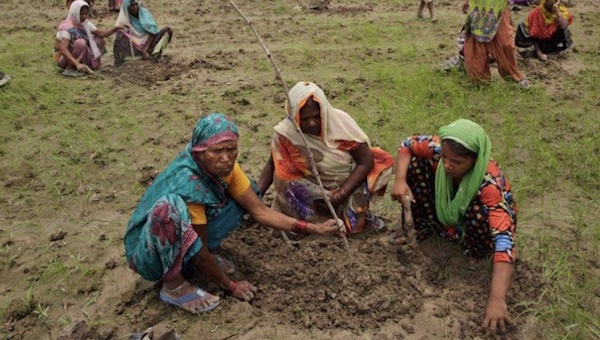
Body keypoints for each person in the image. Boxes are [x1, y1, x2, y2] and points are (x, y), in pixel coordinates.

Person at [125, 113, 340, 314]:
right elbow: (199, 254)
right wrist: (231, 286)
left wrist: (312, 228)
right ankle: (174, 285)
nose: (226, 158)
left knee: (248, 195)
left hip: (182, 232)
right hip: (147, 254)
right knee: (171, 209)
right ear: (199, 152)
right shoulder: (190, 184)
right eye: (216, 152)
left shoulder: (223, 169)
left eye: (231, 149)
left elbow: (260, 211)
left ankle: (196, 256)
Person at [390, 119, 517, 333]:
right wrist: (399, 180)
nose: (448, 165)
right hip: (447, 209)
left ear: (475, 160)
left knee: (480, 213)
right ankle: (426, 228)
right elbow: (407, 145)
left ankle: (475, 251)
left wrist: (496, 300)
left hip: (474, 221)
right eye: (445, 157)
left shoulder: (490, 185)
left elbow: (504, 242)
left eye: (457, 162)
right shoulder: (440, 148)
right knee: (416, 165)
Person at [258, 82, 394, 235]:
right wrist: (254, 202)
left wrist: (339, 196)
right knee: (283, 176)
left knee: (378, 164)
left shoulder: (340, 124)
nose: (312, 123)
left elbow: (366, 162)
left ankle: (357, 217)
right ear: (294, 114)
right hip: (310, 192)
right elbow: (271, 165)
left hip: (347, 187)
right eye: (304, 119)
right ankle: (301, 224)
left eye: (316, 116)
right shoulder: (286, 133)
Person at [461, 0, 529, 87]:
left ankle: (514, 77)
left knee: (504, 44)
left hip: (499, 7)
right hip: (479, 7)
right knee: (477, 46)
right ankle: (480, 80)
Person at [54, 0, 122, 76]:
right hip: (63, 59)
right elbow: (62, 49)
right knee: (81, 42)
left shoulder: (85, 23)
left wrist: (116, 29)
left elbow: (101, 34)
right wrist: (77, 64)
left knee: (98, 40)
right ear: (74, 12)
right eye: (81, 14)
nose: (84, 16)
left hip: (77, 55)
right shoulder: (67, 27)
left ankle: (85, 65)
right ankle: (70, 69)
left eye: (86, 14)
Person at [113, 0, 172, 66]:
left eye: (136, 4)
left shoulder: (144, 13)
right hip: (135, 46)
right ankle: (124, 61)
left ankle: (155, 55)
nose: (135, 7)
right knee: (119, 36)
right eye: (131, 6)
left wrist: (145, 50)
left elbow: (152, 32)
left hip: (149, 43)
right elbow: (118, 30)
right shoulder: (125, 19)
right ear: (127, 7)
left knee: (167, 31)